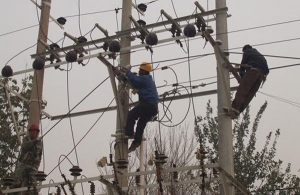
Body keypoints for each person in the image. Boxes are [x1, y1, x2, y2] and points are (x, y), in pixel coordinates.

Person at [124, 62, 159, 152]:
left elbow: (134, 80)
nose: (139, 71)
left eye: (140, 70)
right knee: (141, 124)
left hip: (147, 104)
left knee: (132, 115)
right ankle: (137, 141)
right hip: (153, 107)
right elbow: (136, 83)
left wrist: (127, 71)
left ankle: (129, 133)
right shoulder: (148, 80)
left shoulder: (145, 79)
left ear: (143, 71)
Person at [230, 44, 269, 119]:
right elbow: (267, 70)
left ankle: (235, 108)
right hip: (261, 76)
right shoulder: (260, 55)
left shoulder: (247, 52)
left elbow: (243, 65)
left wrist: (242, 77)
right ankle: (238, 110)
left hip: (253, 71)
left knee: (242, 90)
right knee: (249, 95)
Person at [13, 124, 43, 191]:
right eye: (31, 131)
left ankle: (33, 191)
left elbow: (38, 155)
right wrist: (35, 141)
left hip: (32, 166)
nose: (33, 133)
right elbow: (26, 146)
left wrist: (36, 167)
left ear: (37, 133)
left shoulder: (39, 143)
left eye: (34, 131)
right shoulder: (26, 139)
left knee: (33, 182)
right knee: (18, 175)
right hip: (23, 164)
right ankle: (15, 190)